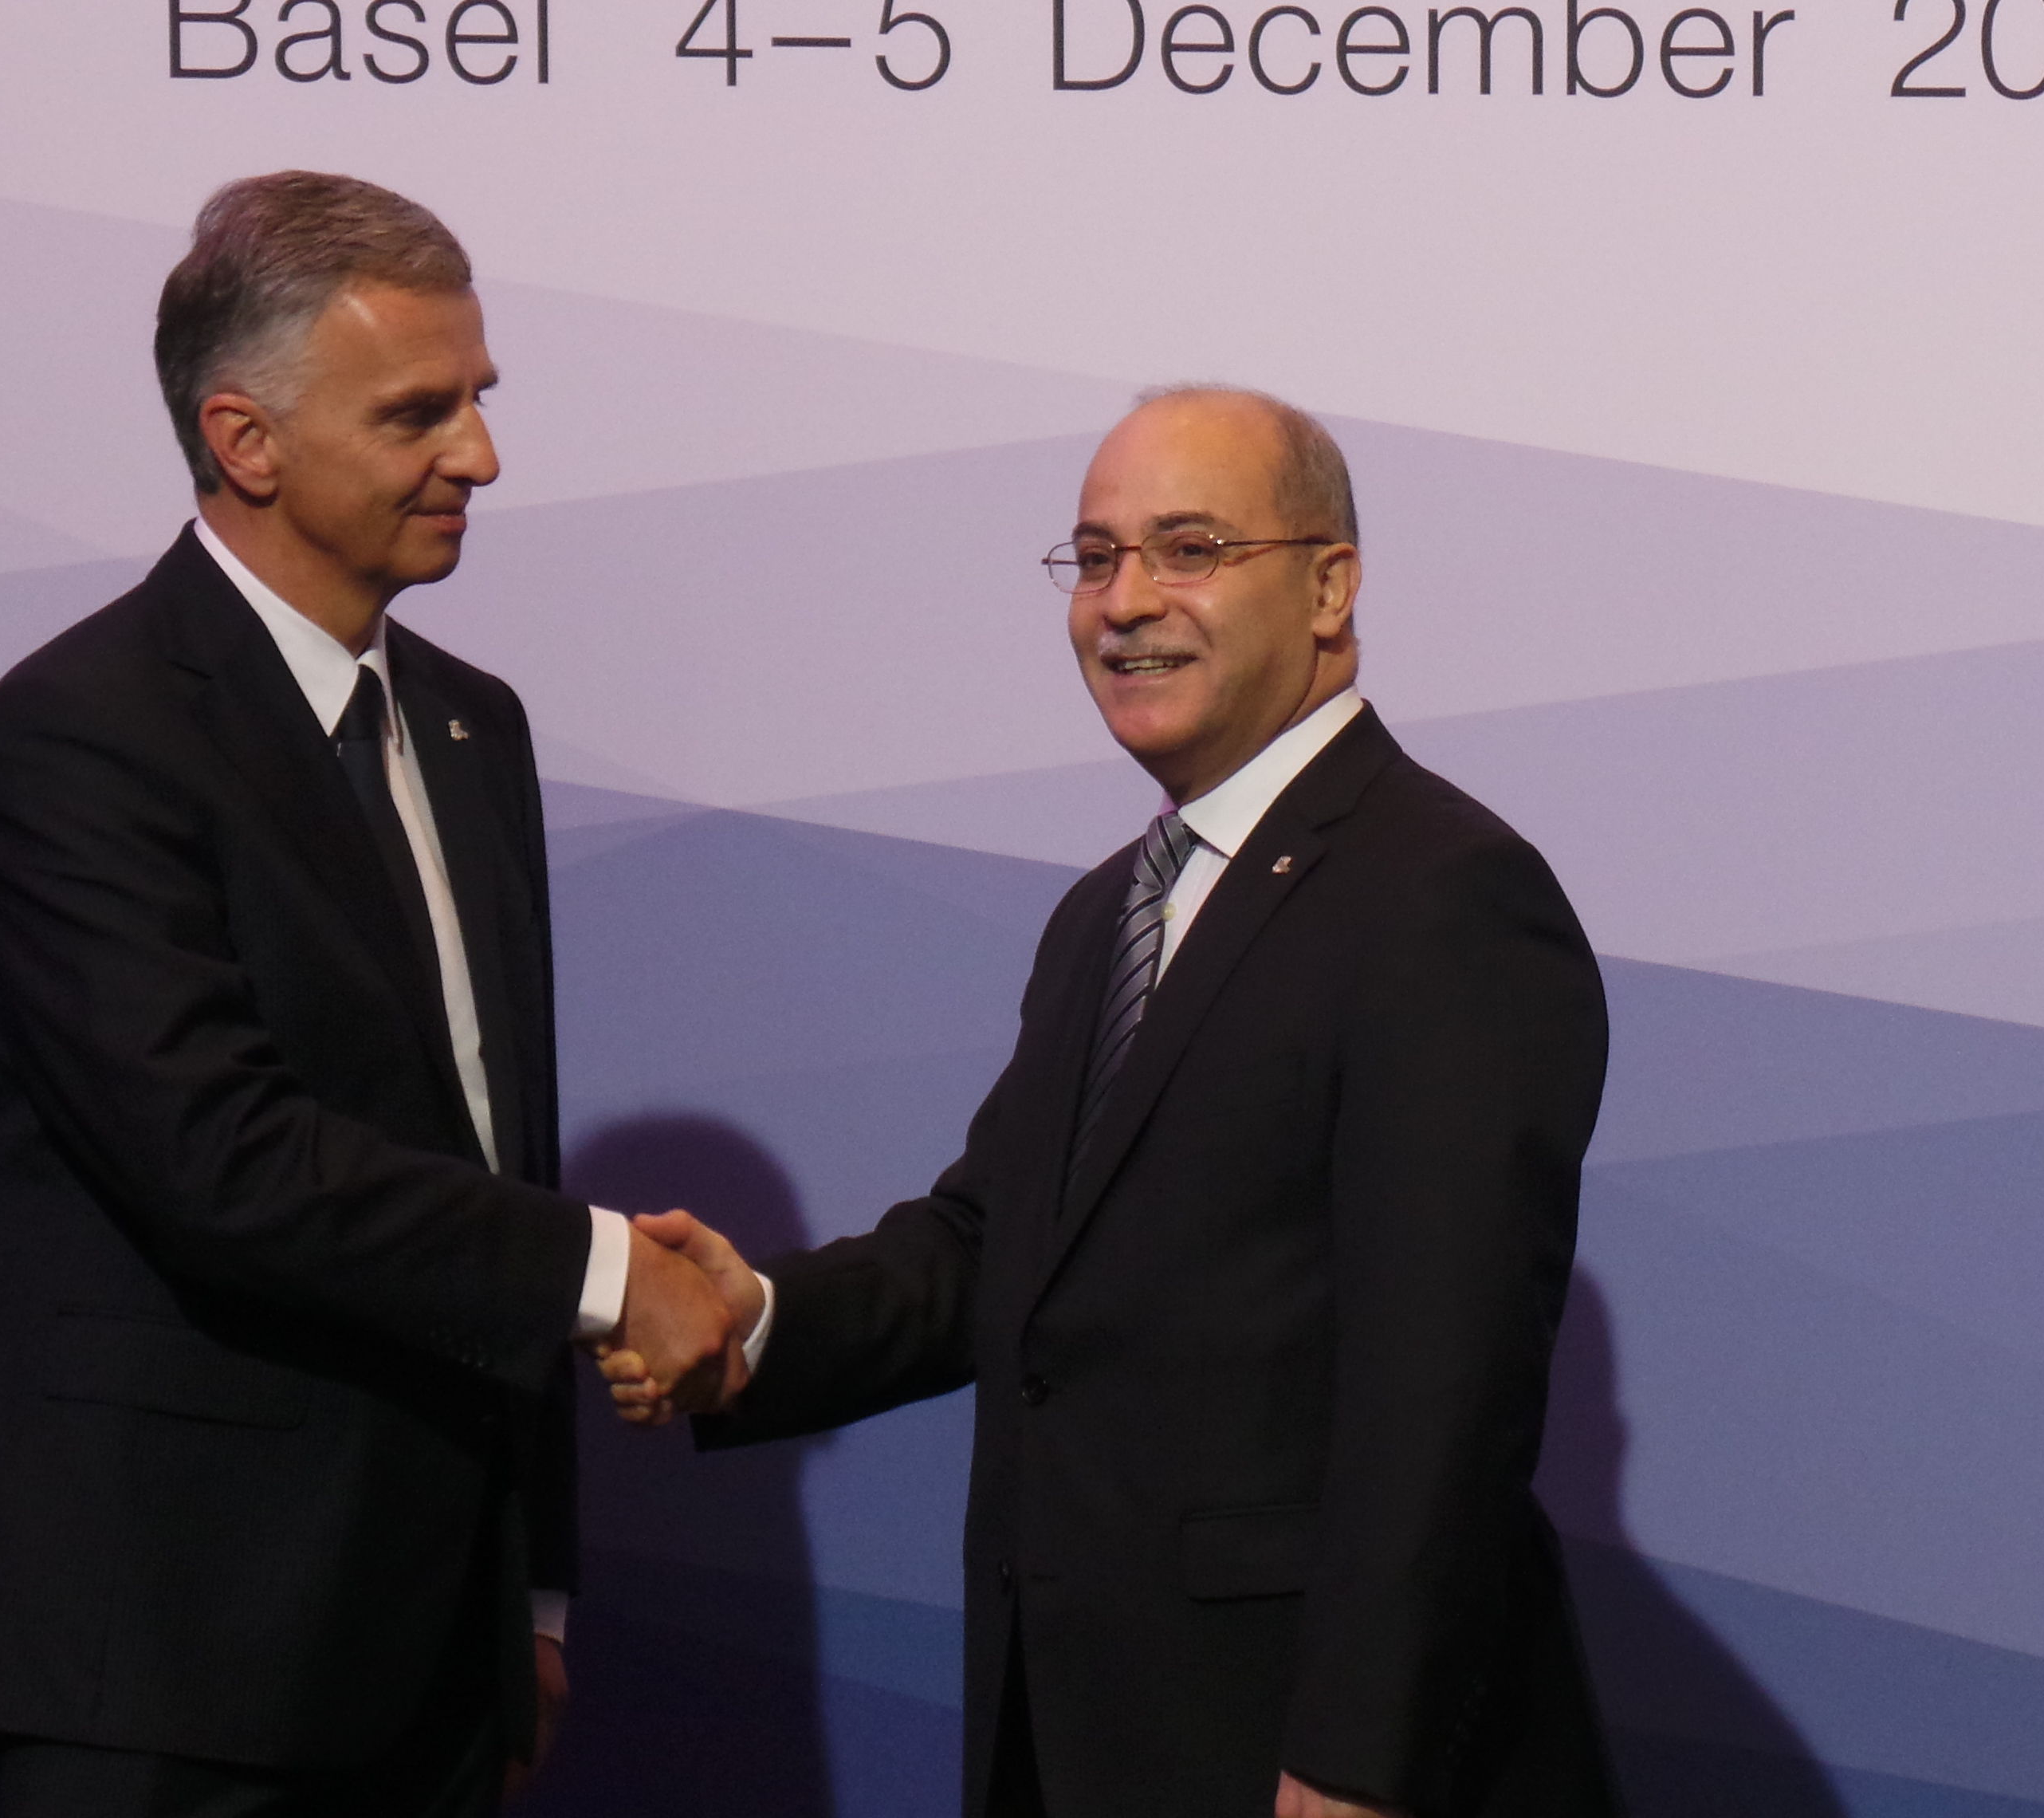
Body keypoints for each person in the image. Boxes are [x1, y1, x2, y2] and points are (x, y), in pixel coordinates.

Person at [609, 388, 1618, 1817]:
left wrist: (1356, 1762)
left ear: (1328, 585)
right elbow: (991, 1240)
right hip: (1079, 1732)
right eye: (1094, 559)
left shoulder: (1441, 896)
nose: (1125, 603)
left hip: (1294, 1755)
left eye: (1187, 548)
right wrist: (757, 1320)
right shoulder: (1109, 914)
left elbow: (1445, 1388)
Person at [0, 171, 743, 1817]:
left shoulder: (478, 730)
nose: (480, 456)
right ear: (245, 439)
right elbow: (225, 1163)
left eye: (481, 401)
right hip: (166, 1661)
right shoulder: (83, 735)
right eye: (420, 412)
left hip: (432, 1652)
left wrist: (530, 1594)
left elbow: (494, 1157)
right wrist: (618, 1272)